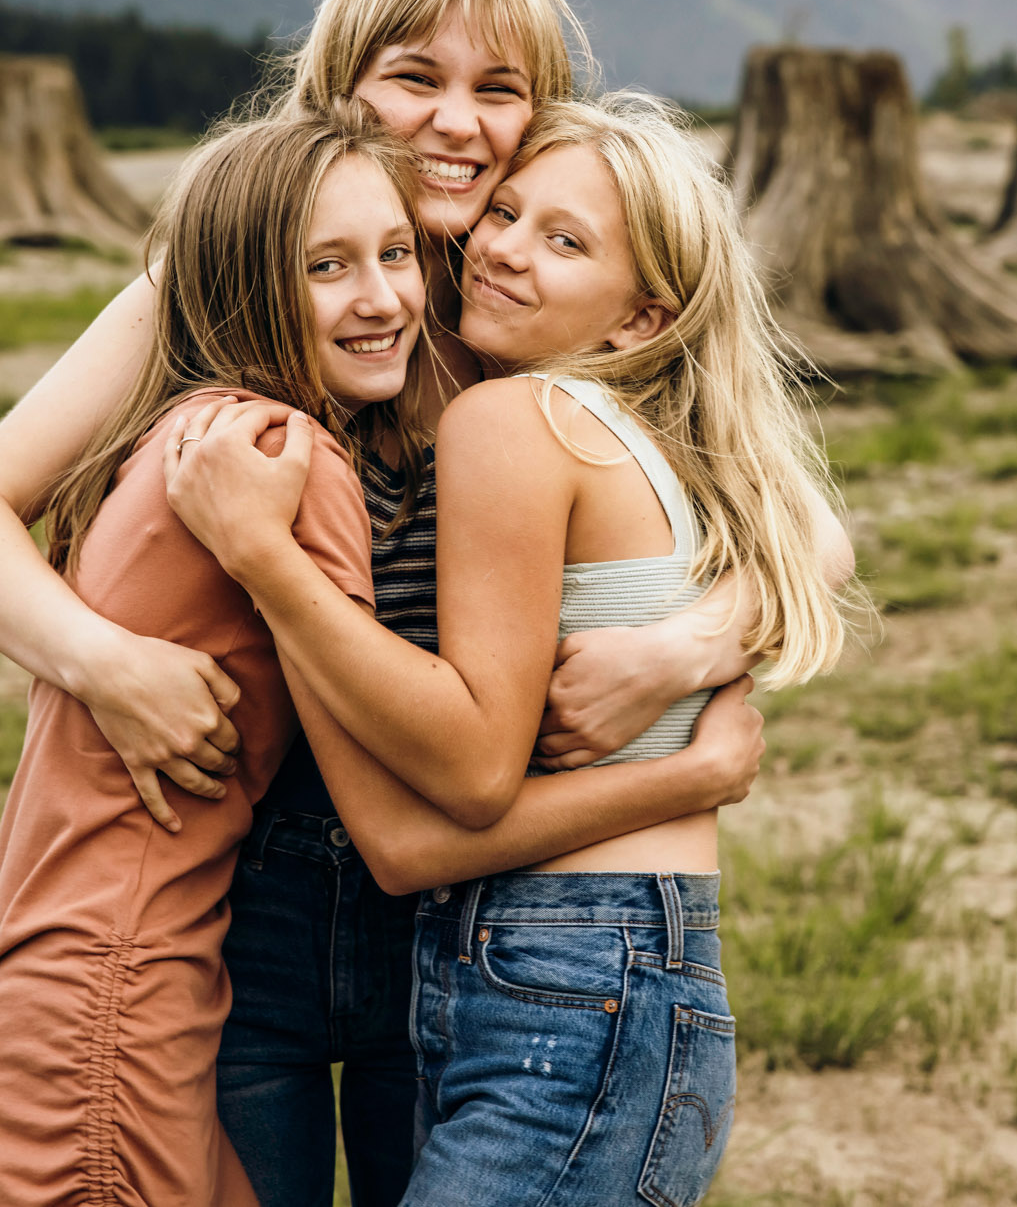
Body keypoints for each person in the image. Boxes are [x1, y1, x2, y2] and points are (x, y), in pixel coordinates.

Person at [0, 0, 796, 1205]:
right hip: (246, 899)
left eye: (501, 89)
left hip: (444, 907)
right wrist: (106, 665)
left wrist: (694, 641)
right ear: (340, 88)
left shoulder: (530, 319)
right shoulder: (235, 277)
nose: (456, 122)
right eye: (413, 77)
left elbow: (769, 507)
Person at [162, 92, 858, 1206]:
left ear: (639, 317)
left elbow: (473, 773)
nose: (500, 250)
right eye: (508, 213)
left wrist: (265, 559)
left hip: (566, 966)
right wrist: (689, 709)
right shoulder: (651, 437)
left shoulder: (512, 418)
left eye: (563, 240)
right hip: (616, 967)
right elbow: (815, 538)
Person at [0, 105, 412, 1206]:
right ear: (245, 285)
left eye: (395, 254)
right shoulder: (280, 457)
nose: (380, 296)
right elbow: (394, 800)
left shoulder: (178, 432)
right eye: (327, 266)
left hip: (69, 1004)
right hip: (101, 1027)